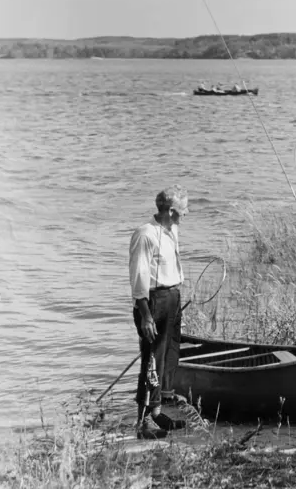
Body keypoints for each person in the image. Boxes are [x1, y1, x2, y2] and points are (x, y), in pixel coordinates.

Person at [129, 185, 189, 439]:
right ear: (172, 211)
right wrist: (146, 315)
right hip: (153, 302)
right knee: (151, 361)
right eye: (184, 209)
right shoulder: (145, 234)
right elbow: (138, 275)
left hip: (171, 297)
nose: (187, 213)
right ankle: (144, 422)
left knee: (167, 358)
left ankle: (157, 413)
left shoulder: (172, 229)